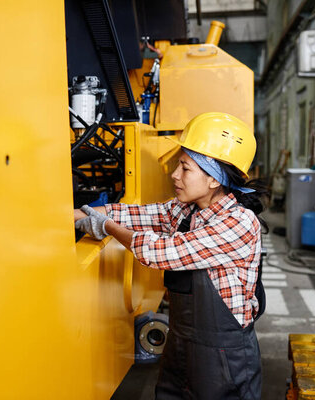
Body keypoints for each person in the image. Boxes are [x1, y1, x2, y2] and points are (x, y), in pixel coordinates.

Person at [74, 112, 267, 400]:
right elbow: (136, 214)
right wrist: (75, 214)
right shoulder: (187, 210)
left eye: (185, 168)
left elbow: (161, 252)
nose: (175, 175)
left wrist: (107, 228)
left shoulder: (238, 223)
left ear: (213, 179)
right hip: (181, 344)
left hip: (225, 356)